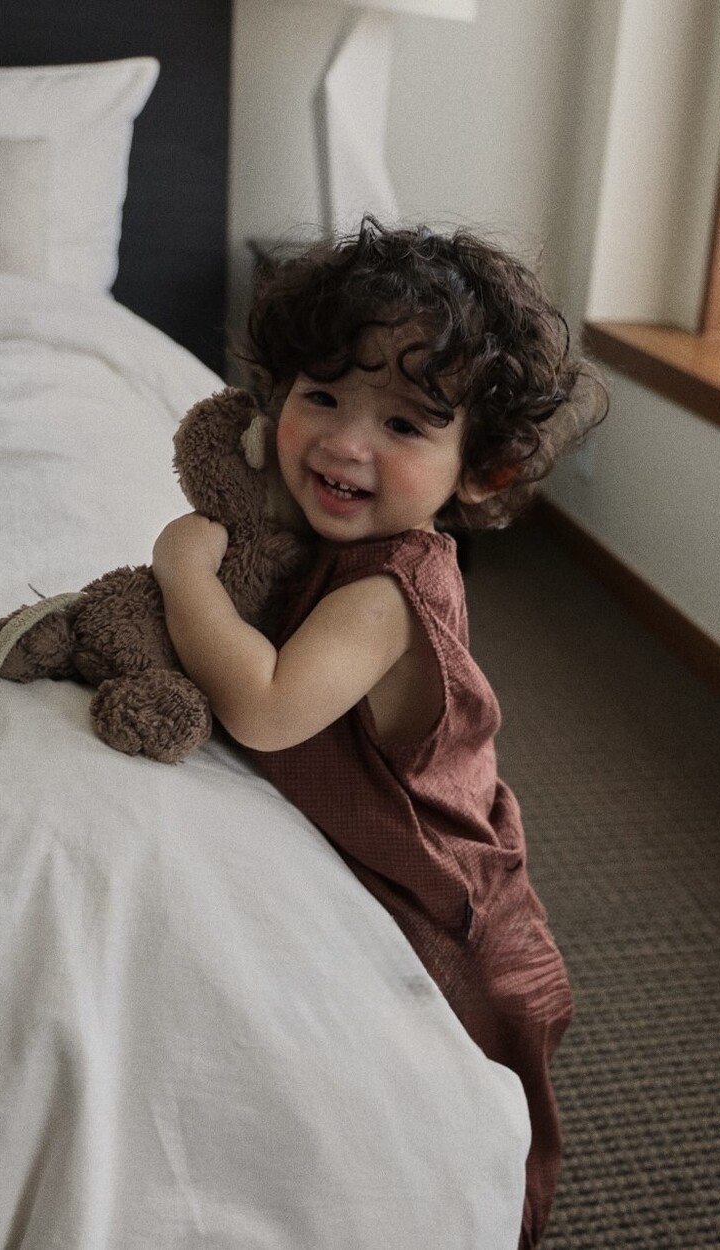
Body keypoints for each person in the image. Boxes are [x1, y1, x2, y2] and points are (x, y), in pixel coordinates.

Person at [152, 216, 607, 1248]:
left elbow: (266, 706)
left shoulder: (389, 592)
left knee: (476, 1120)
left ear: (482, 470)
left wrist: (183, 576)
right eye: (321, 396)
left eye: (404, 424)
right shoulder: (325, 534)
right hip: (423, 853)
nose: (345, 443)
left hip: (453, 910)